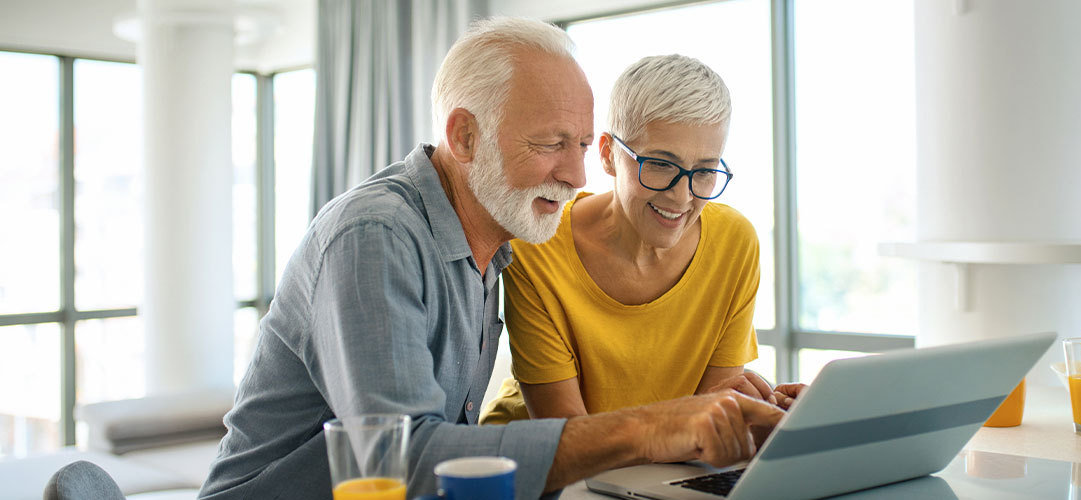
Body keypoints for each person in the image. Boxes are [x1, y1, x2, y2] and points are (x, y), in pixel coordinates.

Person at [199, 18, 783, 500]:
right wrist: (649, 428)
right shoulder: (376, 235)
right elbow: (402, 462)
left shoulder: (498, 245)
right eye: (551, 144)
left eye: (580, 146)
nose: (577, 176)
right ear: (465, 137)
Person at [481, 55, 800, 426]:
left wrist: (773, 418)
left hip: (655, 472)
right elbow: (566, 436)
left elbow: (710, 427)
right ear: (608, 155)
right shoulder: (538, 243)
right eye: (661, 164)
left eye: (705, 171)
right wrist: (694, 424)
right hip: (537, 473)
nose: (683, 197)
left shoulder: (734, 244)